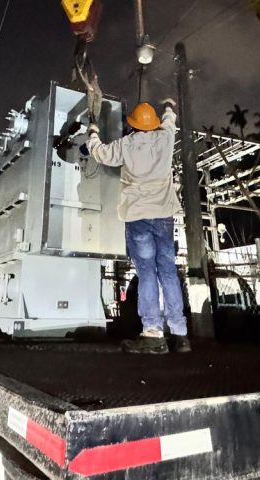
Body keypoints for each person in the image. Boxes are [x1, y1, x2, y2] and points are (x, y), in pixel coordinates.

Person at [86, 99, 190, 354]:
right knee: (168, 271)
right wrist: (167, 106)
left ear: (132, 125)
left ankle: (153, 332)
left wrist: (93, 131)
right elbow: (170, 120)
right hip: (164, 216)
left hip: (138, 217)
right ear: (153, 124)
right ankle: (180, 334)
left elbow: (99, 153)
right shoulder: (165, 138)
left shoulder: (127, 144)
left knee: (147, 272)